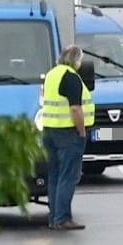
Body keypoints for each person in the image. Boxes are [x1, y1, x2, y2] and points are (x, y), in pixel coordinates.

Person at [39, 44, 93, 232]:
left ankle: (54, 218)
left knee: (54, 175)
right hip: (67, 133)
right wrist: (82, 131)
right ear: (75, 60)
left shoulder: (51, 74)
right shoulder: (71, 77)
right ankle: (62, 218)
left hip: (49, 131)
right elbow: (76, 109)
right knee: (68, 176)